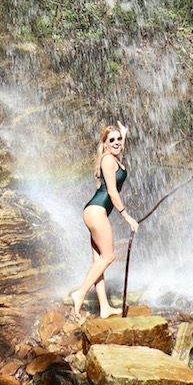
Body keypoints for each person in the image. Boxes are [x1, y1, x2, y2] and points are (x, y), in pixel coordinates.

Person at [70, 123, 138, 318]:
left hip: (93, 211)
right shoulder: (108, 160)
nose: (117, 142)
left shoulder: (112, 157)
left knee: (98, 260)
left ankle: (104, 308)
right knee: (108, 257)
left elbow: (118, 148)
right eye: (112, 140)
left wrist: (123, 135)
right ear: (105, 144)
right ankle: (80, 293)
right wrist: (127, 217)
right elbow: (112, 192)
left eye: (119, 140)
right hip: (96, 211)